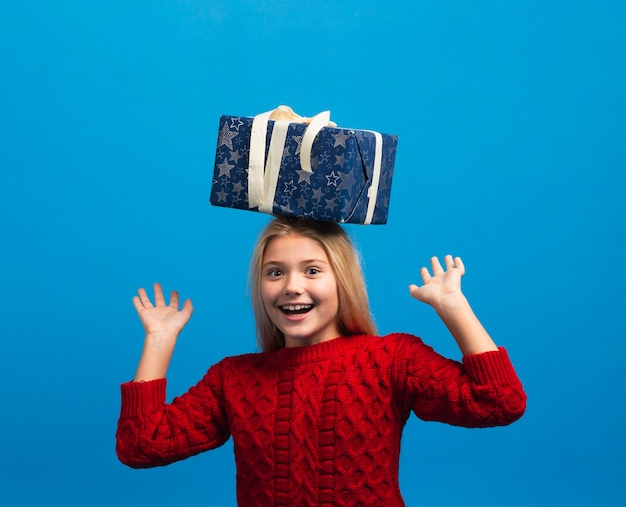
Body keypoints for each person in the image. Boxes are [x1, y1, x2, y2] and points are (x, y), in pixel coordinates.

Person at [116, 216, 526, 506]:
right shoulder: (233, 378)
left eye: (312, 270)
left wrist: (454, 307)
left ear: (342, 280)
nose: (292, 287)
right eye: (274, 272)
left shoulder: (390, 358)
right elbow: (141, 446)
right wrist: (159, 340)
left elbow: (500, 401)